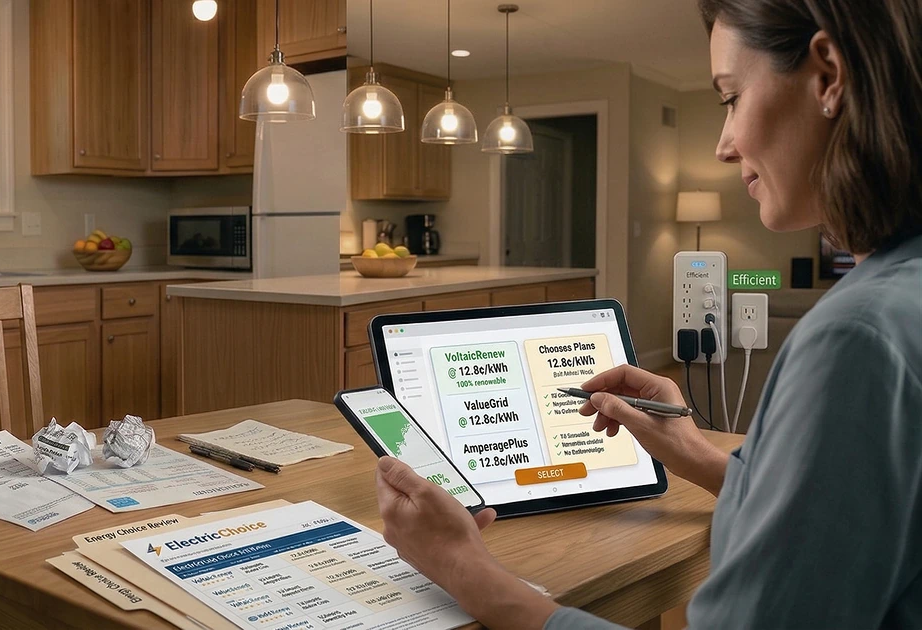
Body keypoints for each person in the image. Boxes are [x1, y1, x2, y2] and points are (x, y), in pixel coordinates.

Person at [374, 1, 922, 627]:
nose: (723, 145)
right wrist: (692, 451)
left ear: (828, 77)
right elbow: (849, 510)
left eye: (729, 98)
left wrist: (459, 566)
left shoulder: (857, 338)